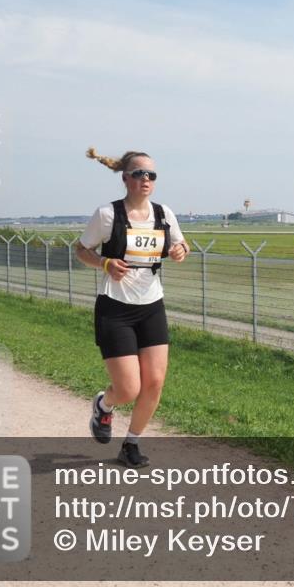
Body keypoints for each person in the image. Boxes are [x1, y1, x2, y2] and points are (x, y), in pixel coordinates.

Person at [76, 148, 190, 468]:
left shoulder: (163, 213)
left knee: (154, 382)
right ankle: (104, 405)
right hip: (115, 307)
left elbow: (181, 244)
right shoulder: (108, 214)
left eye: (151, 175)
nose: (146, 180)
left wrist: (180, 250)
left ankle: (131, 443)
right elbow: (81, 250)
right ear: (125, 178)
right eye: (139, 174)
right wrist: (104, 262)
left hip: (151, 305)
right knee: (128, 389)